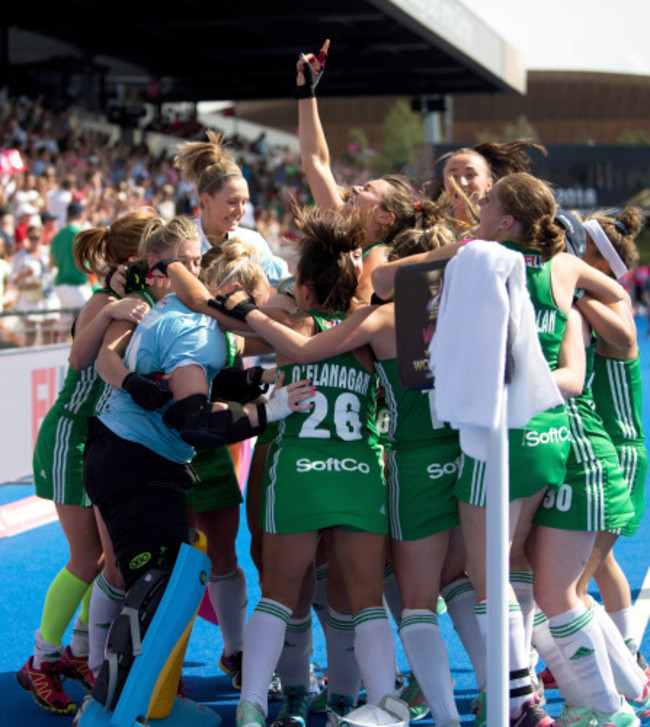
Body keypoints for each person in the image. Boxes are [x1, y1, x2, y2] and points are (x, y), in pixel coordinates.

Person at [371, 172, 634, 726]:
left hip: (499, 435)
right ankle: (610, 705)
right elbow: (618, 291)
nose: (478, 206)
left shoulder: (479, 258)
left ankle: (518, 704)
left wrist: (459, 245)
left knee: (487, 579)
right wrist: (572, 306)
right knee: (539, 579)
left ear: (507, 221)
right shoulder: (563, 268)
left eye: (487, 202)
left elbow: (385, 280)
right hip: (551, 433)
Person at [215, 220, 467, 727]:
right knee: (365, 599)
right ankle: (380, 698)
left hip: (299, 468)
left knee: (280, 595)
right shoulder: (368, 324)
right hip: (357, 470)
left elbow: (234, 319)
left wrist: (234, 304)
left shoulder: (290, 323)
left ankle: (253, 705)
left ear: (303, 287)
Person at [82, 215, 314, 718]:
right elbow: (193, 420)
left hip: (131, 457)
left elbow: (209, 382)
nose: (268, 310)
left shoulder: (178, 317)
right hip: (136, 462)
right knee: (154, 591)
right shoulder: (193, 325)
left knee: (162, 583)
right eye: (263, 299)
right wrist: (269, 411)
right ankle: (114, 710)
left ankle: (134, 704)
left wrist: (259, 384)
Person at [15, 210, 154, 715]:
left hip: (98, 436)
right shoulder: (104, 300)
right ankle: (41, 659)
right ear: (135, 257)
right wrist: (113, 307)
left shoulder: (136, 298)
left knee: (104, 558)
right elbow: (78, 358)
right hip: (70, 433)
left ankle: (76, 650)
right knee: (86, 557)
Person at [295, 40, 424, 308]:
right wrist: (307, 92)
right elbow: (315, 160)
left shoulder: (380, 257)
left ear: (385, 217)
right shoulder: (344, 223)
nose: (354, 189)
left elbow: (357, 314)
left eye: (367, 190)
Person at [173, 130, 289, 285]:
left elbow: (283, 283)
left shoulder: (254, 243)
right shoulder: (177, 242)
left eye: (244, 202)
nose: (241, 211)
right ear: (206, 200)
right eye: (232, 202)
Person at [433, 140, 547, 237]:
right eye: (453, 176)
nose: (462, 183)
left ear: (489, 184)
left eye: (470, 175)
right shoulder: (432, 232)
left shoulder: (504, 231)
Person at [50, 200, 93, 332]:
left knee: (64, 332)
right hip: (78, 288)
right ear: (82, 214)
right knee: (86, 328)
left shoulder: (57, 236)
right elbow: (91, 263)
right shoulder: (81, 234)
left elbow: (52, 263)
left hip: (60, 289)